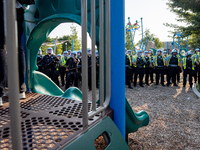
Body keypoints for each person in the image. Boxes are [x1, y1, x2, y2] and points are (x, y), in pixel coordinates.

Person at [0, 0, 28, 106]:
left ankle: (0, 92)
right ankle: (20, 89)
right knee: (17, 44)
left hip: (3, 5)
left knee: (1, 46)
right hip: (16, 6)